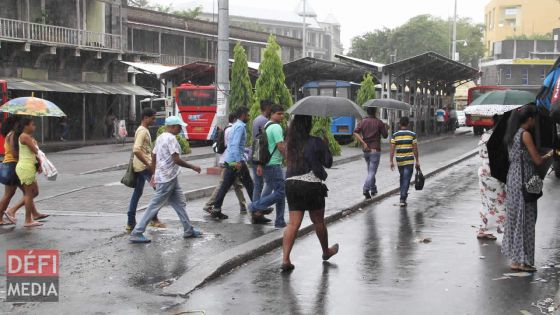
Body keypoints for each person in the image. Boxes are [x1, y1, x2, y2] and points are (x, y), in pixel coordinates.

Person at [129, 116, 203, 243]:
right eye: (179, 127)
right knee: (154, 205)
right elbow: (176, 159)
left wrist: (154, 173)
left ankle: (188, 229)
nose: (180, 129)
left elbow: (153, 155)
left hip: (168, 176)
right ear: (173, 126)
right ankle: (137, 232)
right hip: (167, 178)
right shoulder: (171, 138)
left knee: (179, 203)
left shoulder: (161, 137)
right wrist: (192, 166)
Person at [281, 115, 338, 272]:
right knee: (318, 221)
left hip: (291, 184)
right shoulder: (315, 141)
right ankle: (326, 251)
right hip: (311, 185)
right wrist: (326, 145)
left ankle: (285, 258)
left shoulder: (289, 143)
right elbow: (328, 162)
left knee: (293, 224)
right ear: (309, 124)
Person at [502, 104, 554, 271]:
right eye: (534, 119)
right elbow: (537, 160)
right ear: (529, 119)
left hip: (513, 177)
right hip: (525, 178)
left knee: (515, 217)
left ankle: (515, 259)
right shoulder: (525, 135)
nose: (535, 123)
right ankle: (523, 261)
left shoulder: (512, 133)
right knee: (526, 218)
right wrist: (549, 155)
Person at [210, 106, 254, 220]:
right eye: (248, 115)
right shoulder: (240, 127)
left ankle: (216, 209)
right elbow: (234, 144)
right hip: (235, 161)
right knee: (249, 184)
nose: (249, 117)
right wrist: (238, 161)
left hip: (231, 161)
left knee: (225, 186)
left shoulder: (235, 125)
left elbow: (235, 145)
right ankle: (257, 208)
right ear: (243, 115)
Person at [125, 108, 165, 233]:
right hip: (143, 167)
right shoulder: (142, 131)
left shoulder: (142, 130)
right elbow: (136, 149)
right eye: (153, 118)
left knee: (137, 193)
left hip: (139, 166)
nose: (154, 120)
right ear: (145, 118)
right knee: (160, 191)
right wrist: (148, 163)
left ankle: (131, 223)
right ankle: (153, 218)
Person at [0, 116, 45, 225]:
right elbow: (15, 153)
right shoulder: (13, 135)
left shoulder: (16, 135)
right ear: (15, 124)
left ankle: (33, 214)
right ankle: (9, 213)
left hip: (12, 165)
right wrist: (29, 154)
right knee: (25, 193)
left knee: (28, 192)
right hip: (12, 165)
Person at [248, 105, 287, 227]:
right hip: (274, 164)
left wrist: (260, 164)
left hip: (267, 164)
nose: (281, 116)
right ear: (272, 114)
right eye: (279, 114)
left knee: (279, 191)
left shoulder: (267, 126)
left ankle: (280, 221)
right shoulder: (276, 127)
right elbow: (280, 146)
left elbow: (263, 147)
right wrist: (289, 158)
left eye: (282, 114)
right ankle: (255, 206)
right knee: (281, 193)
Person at [203, 113, 248, 214]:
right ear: (236, 119)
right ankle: (209, 204)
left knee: (236, 184)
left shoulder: (227, 128)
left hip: (227, 160)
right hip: (230, 161)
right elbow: (233, 146)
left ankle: (243, 205)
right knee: (224, 185)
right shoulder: (233, 129)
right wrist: (238, 160)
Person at [477, 115, 506, 240]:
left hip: (483, 171)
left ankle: (483, 229)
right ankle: (503, 228)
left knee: (486, 202)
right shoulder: (500, 136)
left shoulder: (485, 135)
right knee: (500, 202)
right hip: (495, 172)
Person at [14, 118, 45, 227]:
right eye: (32, 124)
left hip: (29, 167)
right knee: (29, 194)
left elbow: (34, 153)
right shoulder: (24, 136)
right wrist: (35, 144)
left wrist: (38, 165)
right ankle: (28, 220)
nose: (34, 127)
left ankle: (26, 214)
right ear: (26, 126)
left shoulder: (28, 137)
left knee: (34, 192)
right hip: (25, 167)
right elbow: (35, 151)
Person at [353, 107, 388, 199]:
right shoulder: (379, 122)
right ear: (375, 112)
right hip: (375, 150)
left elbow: (355, 132)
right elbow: (385, 136)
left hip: (366, 151)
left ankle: (373, 189)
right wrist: (386, 127)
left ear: (367, 112)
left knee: (370, 171)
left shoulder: (363, 121)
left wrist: (363, 143)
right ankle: (366, 188)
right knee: (372, 172)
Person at [389, 117, 420, 207]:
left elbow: (392, 149)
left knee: (403, 177)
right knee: (406, 178)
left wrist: (391, 161)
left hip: (399, 161)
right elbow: (415, 149)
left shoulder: (395, 135)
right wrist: (417, 160)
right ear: (408, 124)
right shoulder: (412, 134)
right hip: (409, 160)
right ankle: (403, 198)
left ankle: (403, 195)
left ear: (399, 124)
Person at [251, 100, 273, 204]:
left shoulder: (257, 119)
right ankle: (259, 207)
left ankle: (257, 208)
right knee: (267, 182)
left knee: (258, 184)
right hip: (260, 154)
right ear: (268, 108)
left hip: (256, 152)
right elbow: (262, 140)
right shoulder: (264, 121)